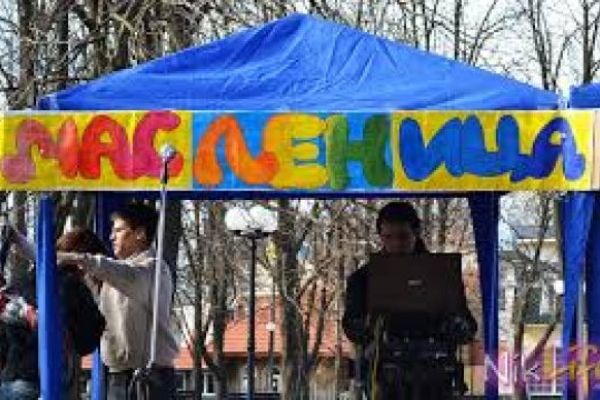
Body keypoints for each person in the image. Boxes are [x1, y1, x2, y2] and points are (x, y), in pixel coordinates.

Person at [342, 201, 477, 400]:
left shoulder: (442, 275)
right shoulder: (362, 279)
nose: (396, 244)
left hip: (435, 377)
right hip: (386, 379)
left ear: (416, 233)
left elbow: (468, 328)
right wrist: (371, 323)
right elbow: (351, 328)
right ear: (380, 236)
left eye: (403, 236)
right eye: (388, 237)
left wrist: (455, 324)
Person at [58, 201, 179, 400]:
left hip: (150, 377)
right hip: (118, 376)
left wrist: (75, 258)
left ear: (140, 233)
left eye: (119, 230)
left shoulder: (152, 270)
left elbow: (115, 270)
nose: (111, 236)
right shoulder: (116, 276)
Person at [0, 226, 107, 400]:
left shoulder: (28, 280)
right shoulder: (72, 285)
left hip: (12, 377)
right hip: (47, 382)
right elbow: (87, 340)